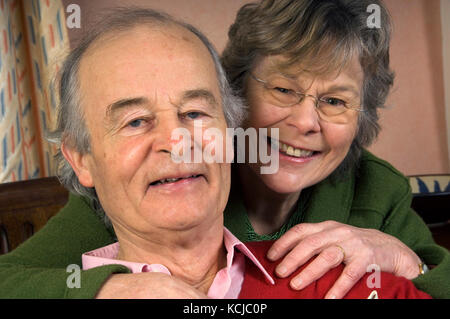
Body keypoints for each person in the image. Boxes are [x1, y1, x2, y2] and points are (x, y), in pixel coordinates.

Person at [0, 0, 448, 299]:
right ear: (237, 97)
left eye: (334, 101)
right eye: (283, 88)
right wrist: (106, 286)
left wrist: (409, 263)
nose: (305, 123)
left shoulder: (374, 186)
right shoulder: (155, 190)